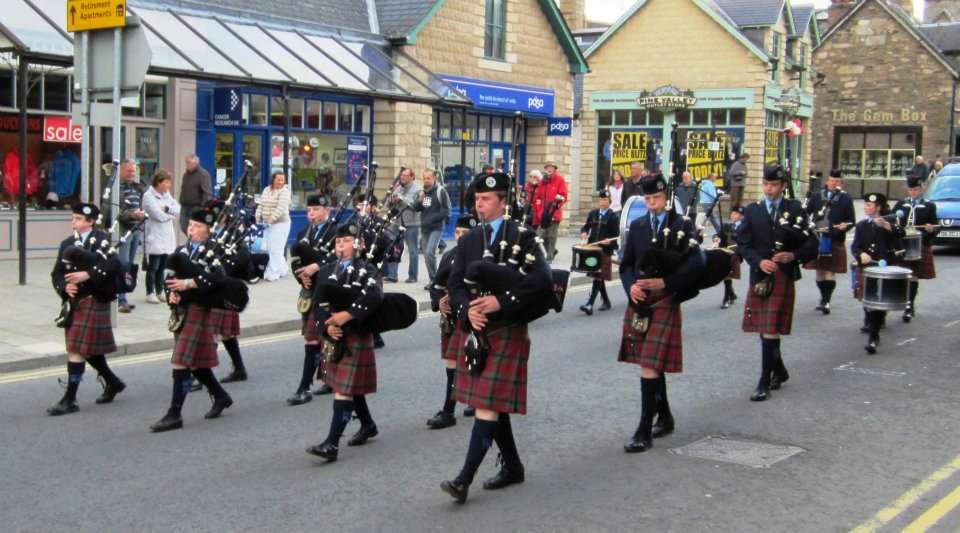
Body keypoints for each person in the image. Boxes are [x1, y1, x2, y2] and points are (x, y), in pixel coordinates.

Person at [440, 170, 553, 503]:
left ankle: (463, 480)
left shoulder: (523, 235)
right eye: (476, 199)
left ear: (503, 203)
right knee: (490, 402)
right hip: (477, 331)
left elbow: (542, 280)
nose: (480, 204)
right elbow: (455, 283)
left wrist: (500, 301)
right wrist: (466, 311)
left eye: (486, 199)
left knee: (487, 403)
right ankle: (513, 466)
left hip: (507, 328)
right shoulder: (470, 240)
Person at [617, 173, 704, 453]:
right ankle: (664, 416)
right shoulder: (638, 225)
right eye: (648, 199)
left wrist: (666, 283)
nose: (652, 204)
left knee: (650, 363)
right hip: (640, 301)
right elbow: (626, 264)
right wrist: (631, 288)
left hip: (665, 298)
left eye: (656, 198)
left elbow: (696, 264)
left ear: (666, 197)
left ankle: (644, 429)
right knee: (651, 362)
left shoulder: (681, 225)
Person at [737, 164, 817, 402]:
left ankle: (764, 382)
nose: (769, 189)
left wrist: (793, 256)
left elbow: (812, 241)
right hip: (761, 275)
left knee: (770, 329)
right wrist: (759, 262)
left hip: (782, 274)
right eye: (766, 184)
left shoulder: (795, 209)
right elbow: (743, 244)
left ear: (783, 186)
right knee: (765, 329)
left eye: (774, 185)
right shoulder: (753, 211)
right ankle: (779, 370)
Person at [306, 223, 385, 462]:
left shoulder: (368, 269)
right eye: (338, 242)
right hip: (334, 333)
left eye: (347, 241)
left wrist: (347, 315)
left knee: (344, 389)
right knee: (348, 387)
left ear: (359, 245)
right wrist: (326, 326)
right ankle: (368, 425)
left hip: (357, 332)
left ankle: (332, 443)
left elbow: (375, 296)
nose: (341, 245)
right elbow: (317, 302)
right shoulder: (327, 269)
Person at [150, 207, 233, 432]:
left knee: (180, 360)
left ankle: (174, 413)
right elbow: (170, 278)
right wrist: (172, 294)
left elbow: (219, 279)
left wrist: (188, 284)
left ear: (207, 231)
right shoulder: (181, 251)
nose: (191, 229)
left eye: (197, 226)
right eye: (190, 225)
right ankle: (221, 395)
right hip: (182, 310)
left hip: (201, 309)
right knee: (194, 363)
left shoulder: (214, 251)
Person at [47, 203, 127, 415]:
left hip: (94, 299)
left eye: (79, 218)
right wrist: (65, 287)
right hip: (75, 301)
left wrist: (88, 274)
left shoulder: (100, 241)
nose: (74, 222)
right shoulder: (67, 243)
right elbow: (56, 274)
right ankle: (112, 382)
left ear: (91, 222)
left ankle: (70, 399)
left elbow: (115, 264)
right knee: (86, 349)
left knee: (76, 348)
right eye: (73, 218)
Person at [426, 214, 478, 429]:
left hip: (468, 315)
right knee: (452, 362)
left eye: (465, 233)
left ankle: (472, 399)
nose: (460, 237)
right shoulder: (449, 256)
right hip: (450, 317)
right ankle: (449, 411)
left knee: (471, 361)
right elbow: (436, 286)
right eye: (457, 232)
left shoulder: (479, 258)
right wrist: (440, 302)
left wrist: (455, 297)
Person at [289, 193, 338, 405]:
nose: (312, 214)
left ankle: (306, 386)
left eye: (316, 210)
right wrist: (301, 277)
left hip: (329, 291)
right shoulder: (303, 233)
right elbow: (295, 261)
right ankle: (318, 382)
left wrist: (317, 266)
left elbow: (339, 258)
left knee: (325, 337)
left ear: (327, 211)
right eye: (309, 210)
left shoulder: (336, 232)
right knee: (312, 338)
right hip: (310, 292)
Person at [851, 193, 904, 354]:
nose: (866, 207)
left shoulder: (889, 223)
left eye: (869, 205)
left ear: (878, 207)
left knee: (878, 302)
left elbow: (901, 234)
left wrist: (887, 226)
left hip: (883, 268)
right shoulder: (861, 225)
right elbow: (855, 247)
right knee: (868, 300)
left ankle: (873, 337)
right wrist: (861, 255)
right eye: (865, 204)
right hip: (867, 267)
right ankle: (870, 322)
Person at [803, 169, 855, 314]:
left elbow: (851, 221)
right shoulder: (816, 196)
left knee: (830, 271)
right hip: (817, 236)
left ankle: (826, 301)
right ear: (827, 181)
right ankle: (823, 296)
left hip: (834, 237)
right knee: (819, 272)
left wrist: (845, 226)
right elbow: (805, 213)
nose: (834, 183)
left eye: (837, 181)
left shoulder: (847, 199)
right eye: (832, 180)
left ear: (842, 183)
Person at [893, 174, 939, 321]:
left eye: (916, 189)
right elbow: (892, 220)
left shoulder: (929, 206)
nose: (913, 192)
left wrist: (931, 229)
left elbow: (935, 227)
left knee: (913, 276)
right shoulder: (901, 204)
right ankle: (903, 303)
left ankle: (909, 306)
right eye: (910, 190)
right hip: (903, 245)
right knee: (903, 276)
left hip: (919, 245)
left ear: (921, 189)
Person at [141, 169, 180, 305]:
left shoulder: (166, 195)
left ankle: (160, 290)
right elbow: (156, 215)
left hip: (166, 235)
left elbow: (177, 208)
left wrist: (167, 209)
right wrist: (170, 217)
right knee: (153, 266)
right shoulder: (148, 195)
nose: (169, 185)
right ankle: (150, 292)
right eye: (167, 182)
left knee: (163, 265)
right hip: (155, 234)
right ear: (159, 182)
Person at [579, 190, 619, 315]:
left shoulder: (613, 217)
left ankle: (590, 304)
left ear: (609, 201)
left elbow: (616, 238)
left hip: (605, 251)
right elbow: (586, 226)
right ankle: (606, 301)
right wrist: (584, 232)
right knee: (598, 276)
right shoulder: (593, 214)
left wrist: (609, 242)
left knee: (597, 275)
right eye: (601, 200)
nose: (603, 202)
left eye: (605, 200)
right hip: (592, 250)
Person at [116, 159, 146, 313]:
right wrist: (132, 215)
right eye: (129, 171)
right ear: (121, 171)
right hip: (124, 231)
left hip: (136, 230)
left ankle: (124, 297)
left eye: (133, 171)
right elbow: (114, 212)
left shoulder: (135, 187)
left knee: (130, 266)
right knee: (123, 265)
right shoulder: (117, 189)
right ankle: (120, 300)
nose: (131, 174)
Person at [385, 168, 423, 283]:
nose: (402, 177)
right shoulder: (398, 188)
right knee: (392, 247)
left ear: (412, 177)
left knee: (413, 251)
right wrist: (391, 200)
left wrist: (403, 198)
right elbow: (388, 204)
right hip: (397, 222)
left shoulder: (418, 189)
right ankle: (392, 275)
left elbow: (417, 206)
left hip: (411, 223)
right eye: (402, 175)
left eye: (405, 175)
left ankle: (413, 276)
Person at [417, 169, 451, 288]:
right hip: (425, 228)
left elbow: (447, 209)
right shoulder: (422, 192)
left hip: (436, 227)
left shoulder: (440, 191)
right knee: (426, 256)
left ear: (433, 179)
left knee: (430, 252)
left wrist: (434, 217)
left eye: (428, 178)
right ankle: (433, 280)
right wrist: (420, 199)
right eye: (424, 178)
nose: (426, 181)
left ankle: (437, 280)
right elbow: (417, 208)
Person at [256, 170, 292, 281]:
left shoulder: (284, 191)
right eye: (278, 179)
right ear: (273, 179)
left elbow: (281, 208)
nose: (281, 182)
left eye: (283, 179)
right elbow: (261, 204)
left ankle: (273, 273)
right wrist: (258, 216)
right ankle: (283, 268)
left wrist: (271, 219)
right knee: (269, 248)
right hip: (267, 224)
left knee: (276, 248)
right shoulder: (266, 189)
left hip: (281, 223)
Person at [530, 162, 568, 263]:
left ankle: (549, 256)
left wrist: (556, 206)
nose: (549, 169)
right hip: (544, 213)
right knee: (543, 236)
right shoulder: (542, 182)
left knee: (552, 235)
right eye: (548, 167)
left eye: (552, 167)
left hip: (554, 213)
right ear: (546, 169)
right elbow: (537, 197)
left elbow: (564, 196)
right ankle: (553, 251)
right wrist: (539, 210)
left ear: (555, 169)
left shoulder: (560, 180)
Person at [178, 154, 212, 235]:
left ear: (195, 163)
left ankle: (194, 243)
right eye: (186, 162)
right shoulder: (186, 175)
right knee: (184, 226)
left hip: (196, 207)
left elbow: (206, 192)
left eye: (188, 162)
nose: (186, 164)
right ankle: (191, 242)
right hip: (185, 206)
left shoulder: (203, 175)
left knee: (195, 228)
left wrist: (204, 208)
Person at [719, 205, 744, 309]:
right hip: (726, 253)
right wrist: (716, 238)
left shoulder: (745, 227)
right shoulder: (726, 225)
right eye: (732, 213)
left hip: (737, 254)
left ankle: (728, 296)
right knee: (726, 274)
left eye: (736, 214)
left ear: (742, 217)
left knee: (728, 273)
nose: (733, 215)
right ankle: (729, 296)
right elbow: (719, 235)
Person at [696, 172, 722, 236]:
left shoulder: (703, 184)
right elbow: (712, 194)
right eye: (715, 177)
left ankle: (701, 232)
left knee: (706, 217)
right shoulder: (710, 185)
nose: (715, 179)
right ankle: (720, 232)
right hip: (708, 203)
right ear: (711, 177)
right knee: (710, 218)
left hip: (703, 202)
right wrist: (717, 201)